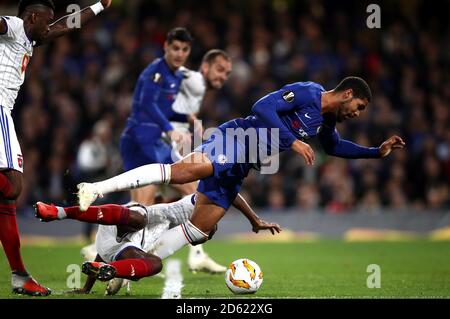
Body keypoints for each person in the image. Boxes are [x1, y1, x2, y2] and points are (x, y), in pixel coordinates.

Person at [77, 76, 406, 262]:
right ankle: (99, 188)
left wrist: (376, 153)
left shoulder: (327, 119)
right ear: (348, 94)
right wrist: (292, 142)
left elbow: (334, 147)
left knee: (202, 228)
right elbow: (261, 106)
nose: (358, 113)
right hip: (237, 139)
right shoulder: (308, 93)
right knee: (181, 174)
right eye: (359, 107)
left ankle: (126, 261)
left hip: (244, 161)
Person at [0, 0, 111, 296]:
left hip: (4, 111)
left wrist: (100, 5)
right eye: (45, 21)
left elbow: (67, 24)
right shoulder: (11, 26)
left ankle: (20, 276)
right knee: (11, 186)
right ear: (32, 16)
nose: (49, 27)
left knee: (6, 199)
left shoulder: (31, 36)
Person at [118, 41, 233, 273]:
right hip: (156, 145)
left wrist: (192, 125)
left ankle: (114, 249)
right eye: (220, 70)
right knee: (188, 198)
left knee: (155, 206)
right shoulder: (190, 81)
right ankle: (110, 249)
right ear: (206, 66)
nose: (224, 77)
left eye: (227, 73)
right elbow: (158, 104)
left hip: (163, 146)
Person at [34, 193, 281, 295]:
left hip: (118, 249)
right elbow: (229, 193)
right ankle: (59, 212)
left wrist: (89, 285)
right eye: (209, 229)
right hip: (122, 220)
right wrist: (255, 220)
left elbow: (104, 252)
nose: (207, 233)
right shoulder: (189, 205)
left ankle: (113, 272)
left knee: (154, 264)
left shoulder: (182, 236)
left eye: (209, 234)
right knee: (139, 218)